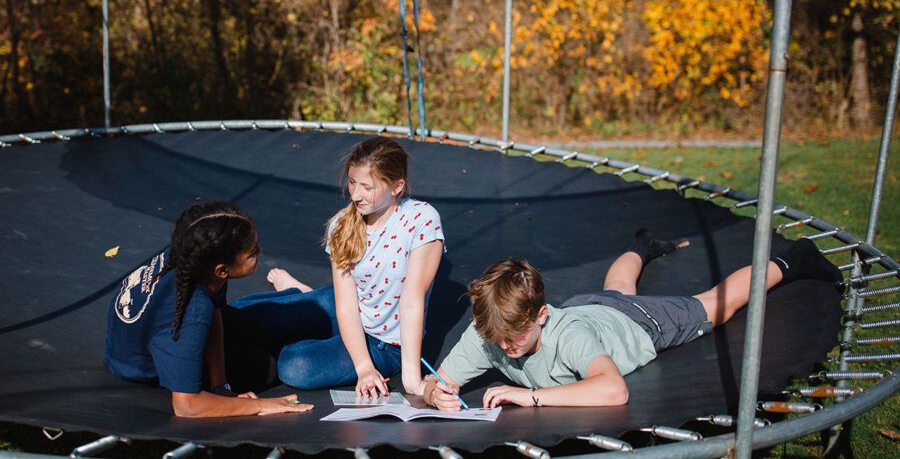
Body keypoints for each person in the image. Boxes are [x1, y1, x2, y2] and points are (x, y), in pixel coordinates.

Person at [422, 230, 842, 410]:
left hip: (640, 323)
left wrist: (527, 397)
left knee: (715, 304)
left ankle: (793, 259)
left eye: (514, 339)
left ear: (541, 315)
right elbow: (436, 381)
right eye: (498, 340)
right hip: (593, 305)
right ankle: (642, 246)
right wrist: (433, 394)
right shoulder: (488, 332)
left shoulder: (570, 338)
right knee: (617, 286)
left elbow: (613, 390)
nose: (506, 348)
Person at [234, 137, 444, 397]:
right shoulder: (343, 224)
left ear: (396, 186)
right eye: (353, 182)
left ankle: (300, 301)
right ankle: (300, 293)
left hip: (384, 343)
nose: (355, 194)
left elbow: (412, 301)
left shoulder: (422, 220)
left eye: (367, 187)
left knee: (295, 366)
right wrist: (362, 366)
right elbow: (345, 304)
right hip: (343, 305)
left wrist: (387, 373)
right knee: (241, 316)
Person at [104, 201, 314, 417]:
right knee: (266, 367)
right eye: (252, 252)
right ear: (222, 270)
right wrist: (259, 406)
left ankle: (297, 294)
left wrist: (221, 385)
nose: (259, 251)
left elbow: (213, 311)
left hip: (145, 341)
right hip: (143, 366)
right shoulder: (192, 313)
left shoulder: (196, 255)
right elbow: (186, 406)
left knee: (263, 326)